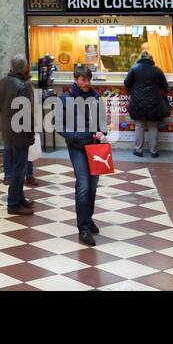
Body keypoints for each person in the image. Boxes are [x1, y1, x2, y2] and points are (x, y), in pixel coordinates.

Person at [59, 64, 107, 245]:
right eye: (83, 80)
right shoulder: (66, 98)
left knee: (93, 187)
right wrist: (75, 136)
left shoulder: (95, 97)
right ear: (76, 79)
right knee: (84, 185)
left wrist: (102, 132)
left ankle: (88, 218)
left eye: (88, 79)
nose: (87, 83)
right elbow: (59, 124)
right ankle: (83, 228)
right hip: (77, 148)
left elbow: (102, 121)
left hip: (94, 147)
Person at [0, 54, 36, 215]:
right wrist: (31, 134)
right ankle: (13, 203)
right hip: (20, 131)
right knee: (20, 168)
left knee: (15, 165)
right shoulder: (24, 86)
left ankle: (20, 198)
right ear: (24, 67)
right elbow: (27, 113)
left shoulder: (2, 83)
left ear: (11, 66)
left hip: (7, 130)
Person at [124, 47, 170, 157]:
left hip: (137, 102)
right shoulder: (157, 70)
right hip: (154, 102)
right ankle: (153, 151)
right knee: (153, 126)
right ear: (151, 59)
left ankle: (138, 150)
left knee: (139, 126)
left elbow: (126, 83)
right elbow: (165, 86)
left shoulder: (134, 69)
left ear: (140, 58)